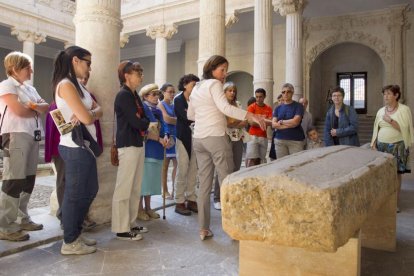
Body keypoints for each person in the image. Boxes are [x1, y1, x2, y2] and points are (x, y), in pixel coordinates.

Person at [188, 55, 266, 241]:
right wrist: (252, 116)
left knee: (205, 186)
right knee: (228, 182)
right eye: (222, 70)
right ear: (211, 69)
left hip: (198, 138)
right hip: (215, 137)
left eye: (226, 70)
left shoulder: (197, 87)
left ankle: (203, 229)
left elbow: (191, 114)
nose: (224, 74)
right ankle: (234, 228)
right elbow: (226, 108)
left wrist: (208, 113)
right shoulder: (214, 85)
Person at [52, 46, 102, 254]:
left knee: (90, 190)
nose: (89, 67)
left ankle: (76, 233)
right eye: (87, 62)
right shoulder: (65, 85)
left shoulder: (79, 86)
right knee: (75, 193)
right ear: (75, 61)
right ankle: (70, 241)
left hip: (85, 146)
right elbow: (89, 117)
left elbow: (99, 110)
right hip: (74, 146)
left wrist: (90, 112)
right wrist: (90, 113)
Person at [0, 51, 49, 242]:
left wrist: (34, 106)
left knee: (28, 179)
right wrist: (34, 108)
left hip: (32, 135)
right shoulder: (6, 85)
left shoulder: (30, 89)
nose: (32, 70)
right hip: (15, 134)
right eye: (28, 67)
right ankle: (5, 225)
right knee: (14, 179)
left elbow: (45, 107)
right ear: (14, 68)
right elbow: (18, 111)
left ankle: (21, 217)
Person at [45, 72, 102, 230]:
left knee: (84, 187)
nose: (83, 81)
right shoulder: (57, 104)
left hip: (83, 145)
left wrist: (87, 114)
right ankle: (65, 217)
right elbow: (59, 129)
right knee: (66, 183)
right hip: (65, 147)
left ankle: (80, 218)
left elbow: (96, 114)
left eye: (85, 79)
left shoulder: (87, 97)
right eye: (81, 79)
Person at [112, 61, 150, 241]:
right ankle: (121, 228)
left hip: (137, 142)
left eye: (141, 72)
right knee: (124, 188)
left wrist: (142, 120)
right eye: (138, 73)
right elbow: (138, 122)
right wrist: (143, 121)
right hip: (127, 144)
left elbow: (145, 117)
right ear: (127, 75)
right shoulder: (123, 95)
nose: (141, 76)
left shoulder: (134, 94)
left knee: (135, 187)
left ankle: (131, 222)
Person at [371, 84, 413, 212]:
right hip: (382, 146)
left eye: (389, 94)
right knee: (382, 174)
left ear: (396, 95)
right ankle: (383, 201)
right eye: (384, 94)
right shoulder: (380, 111)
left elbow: (405, 129)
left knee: (396, 175)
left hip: (397, 146)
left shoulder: (404, 110)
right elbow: (376, 128)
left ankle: (394, 203)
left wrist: (390, 121)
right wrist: (373, 143)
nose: (386, 96)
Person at [213, 82, 247, 211]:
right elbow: (227, 123)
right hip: (225, 138)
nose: (232, 93)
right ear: (224, 92)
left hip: (238, 138)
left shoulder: (238, 105)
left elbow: (244, 121)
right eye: (229, 90)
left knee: (236, 167)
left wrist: (235, 123)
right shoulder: (221, 106)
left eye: (234, 90)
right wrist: (236, 122)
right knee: (222, 168)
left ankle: (231, 195)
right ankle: (217, 198)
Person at [137, 84, 168, 221]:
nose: (157, 97)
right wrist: (159, 138)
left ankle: (149, 208)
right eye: (153, 94)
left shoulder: (158, 110)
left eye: (157, 94)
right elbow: (144, 129)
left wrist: (166, 134)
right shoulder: (143, 108)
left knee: (151, 181)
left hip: (158, 149)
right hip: (147, 147)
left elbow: (164, 124)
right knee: (143, 181)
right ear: (145, 96)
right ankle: (139, 209)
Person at [174, 74, 200, 216]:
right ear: (185, 85)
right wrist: (195, 116)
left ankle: (191, 199)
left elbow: (198, 115)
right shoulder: (178, 99)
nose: (195, 88)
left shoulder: (196, 99)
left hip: (196, 136)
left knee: (193, 170)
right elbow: (185, 117)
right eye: (193, 85)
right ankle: (179, 201)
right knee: (183, 169)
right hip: (183, 137)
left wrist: (194, 116)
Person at [272, 83, 305, 158]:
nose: (285, 94)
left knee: (296, 165)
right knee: (282, 166)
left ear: (292, 93)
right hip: (280, 140)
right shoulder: (278, 108)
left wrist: (281, 122)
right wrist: (291, 125)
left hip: (295, 140)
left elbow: (296, 122)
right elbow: (274, 124)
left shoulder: (298, 106)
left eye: (288, 91)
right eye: (283, 92)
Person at [158, 83, 177, 200]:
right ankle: (164, 190)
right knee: (165, 166)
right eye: (170, 92)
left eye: (173, 92)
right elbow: (166, 119)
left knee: (177, 165)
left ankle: (175, 189)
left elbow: (174, 120)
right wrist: (177, 120)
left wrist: (174, 120)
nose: (172, 94)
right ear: (163, 92)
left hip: (176, 136)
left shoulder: (174, 105)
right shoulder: (161, 104)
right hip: (167, 136)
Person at [245, 88, 273, 167]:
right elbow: (250, 122)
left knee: (261, 160)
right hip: (252, 136)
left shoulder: (268, 109)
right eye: (256, 97)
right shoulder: (251, 107)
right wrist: (264, 122)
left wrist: (257, 122)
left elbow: (270, 123)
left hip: (263, 136)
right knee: (252, 159)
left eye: (260, 97)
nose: (258, 99)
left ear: (264, 97)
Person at [269, 94, 284, 161]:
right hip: (276, 133)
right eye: (279, 100)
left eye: (282, 100)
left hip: (285, 134)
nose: (281, 102)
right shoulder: (275, 112)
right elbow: (272, 126)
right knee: (273, 154)